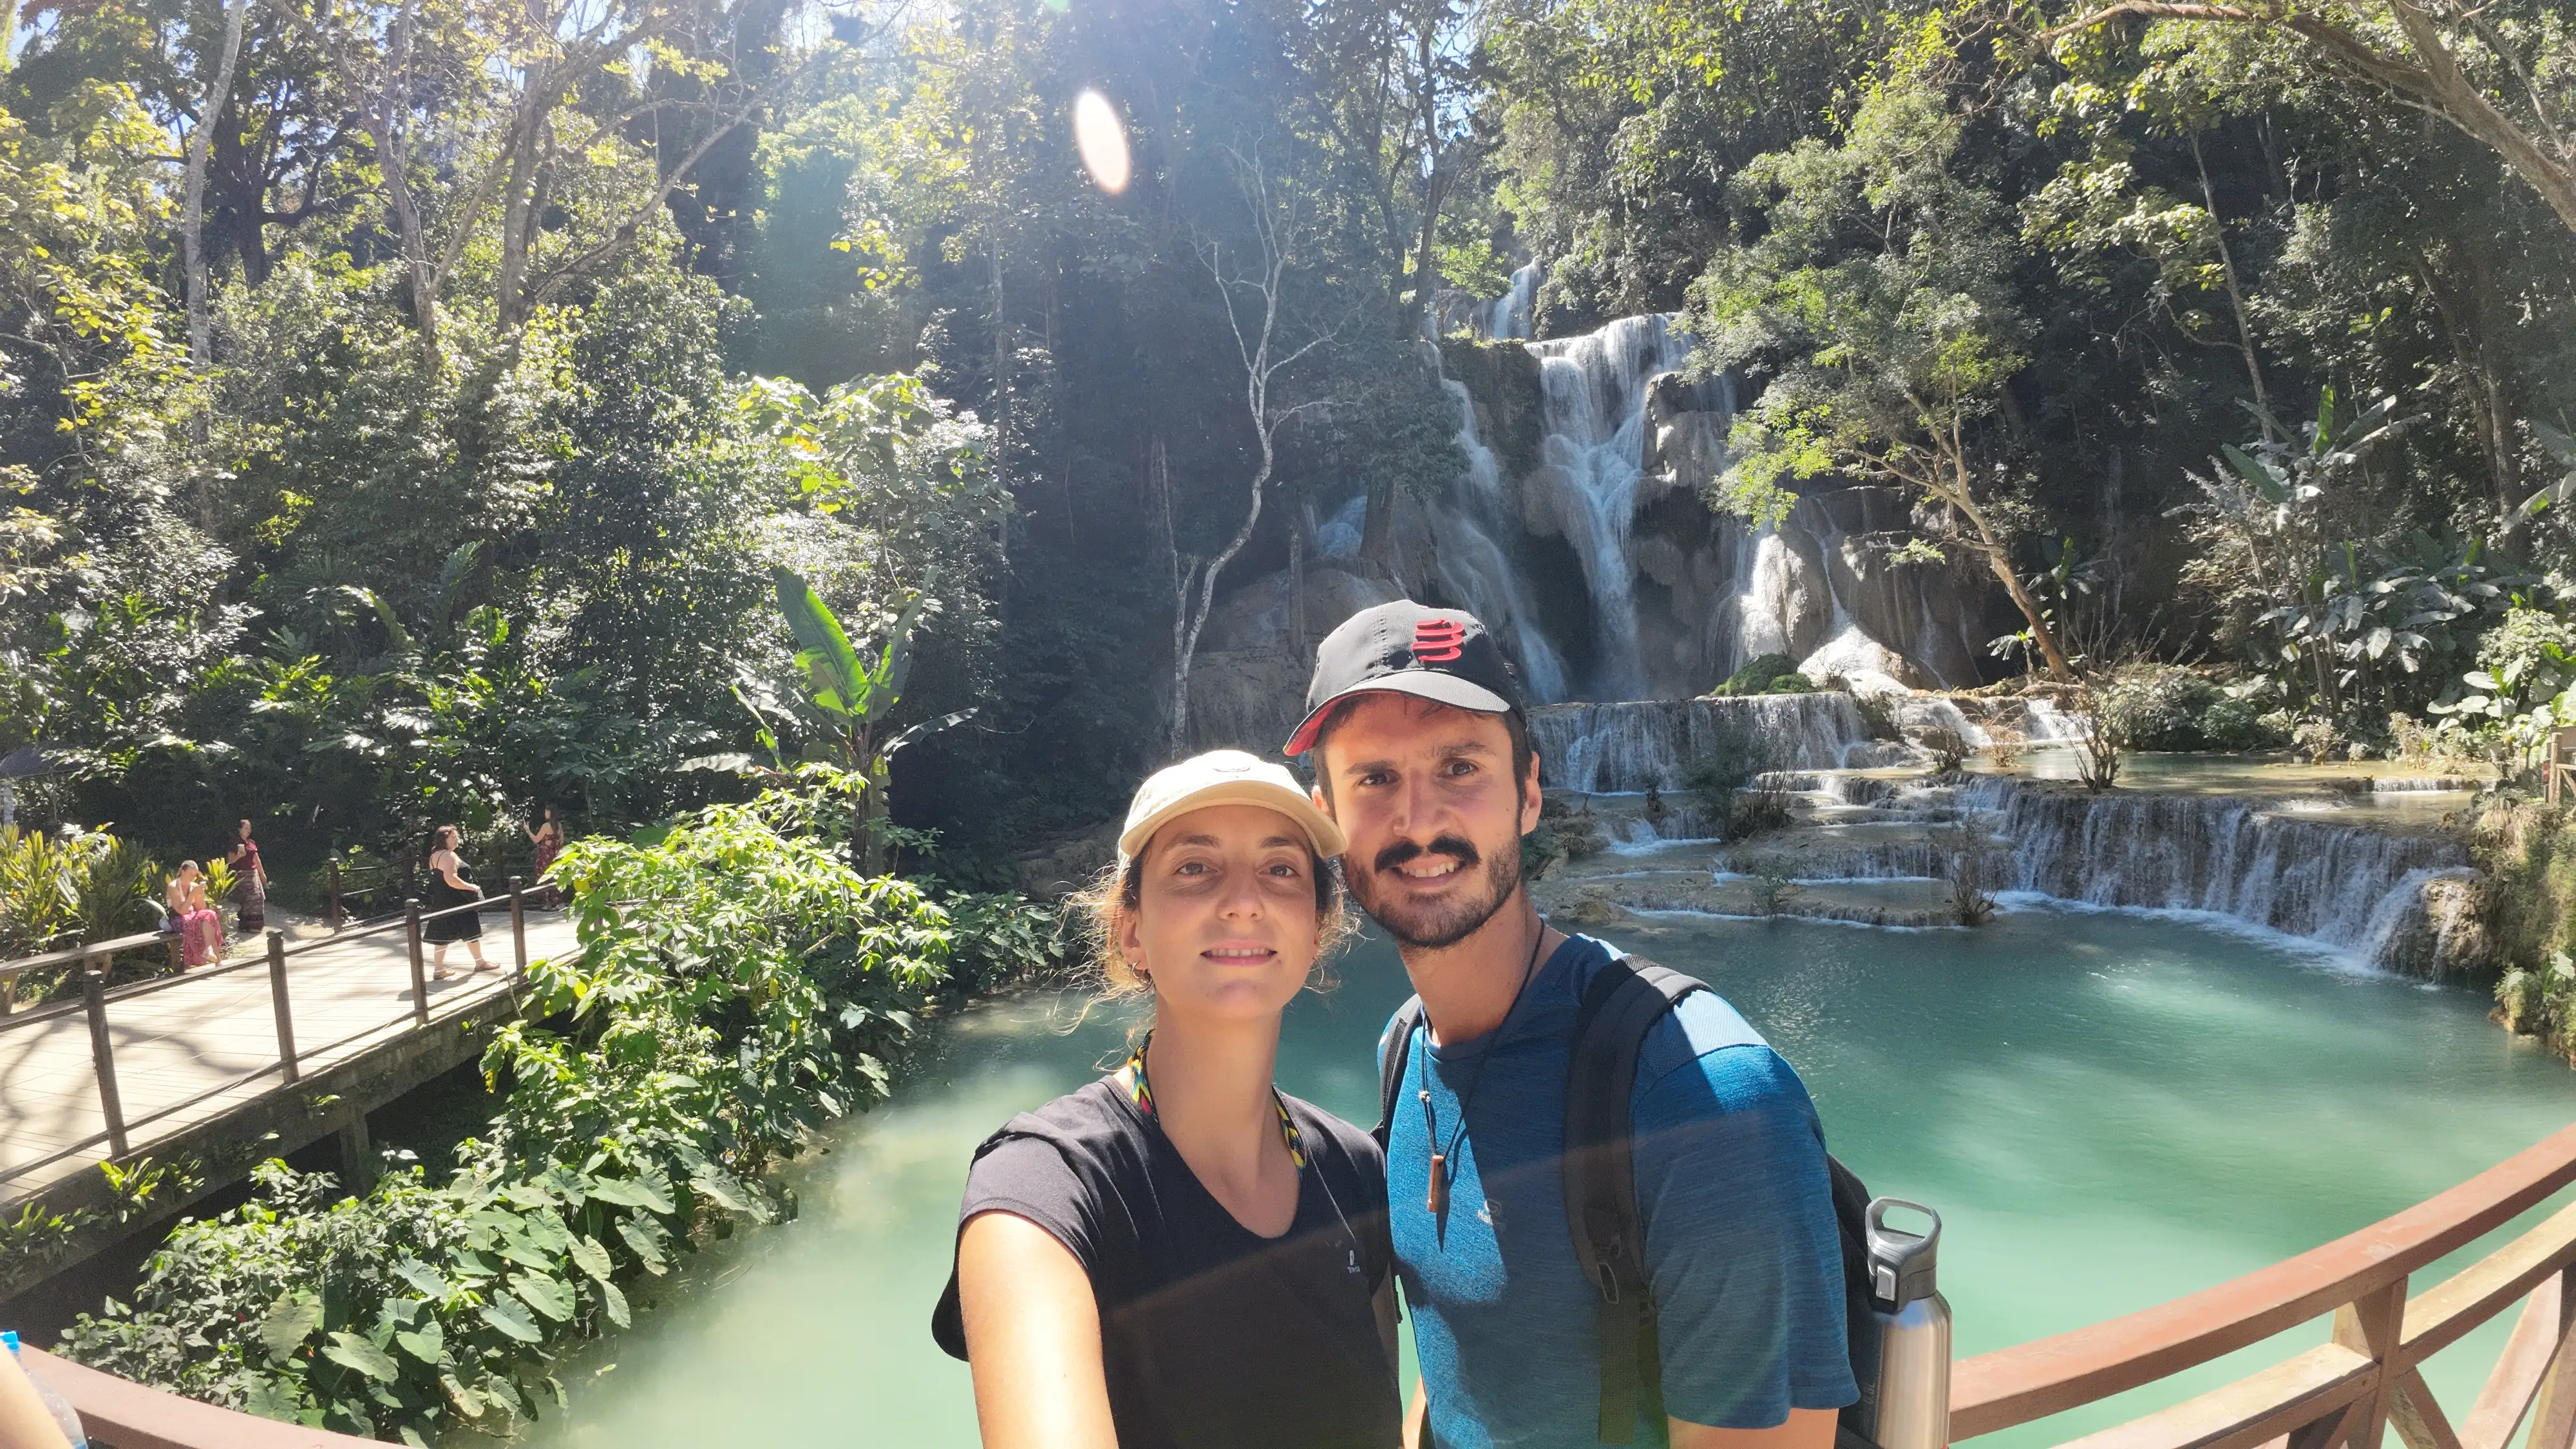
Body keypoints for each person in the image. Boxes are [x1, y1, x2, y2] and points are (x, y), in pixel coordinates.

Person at [1286, 601, 1856, 1449]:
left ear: (1527, 793)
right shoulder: (1405, 1046)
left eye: (1459, 765)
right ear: (1324, 814)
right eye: (1373, 778)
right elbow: (1459, 1368)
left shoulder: (1707, 1099)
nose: (1418, 819)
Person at [931, 750, 1401, 1449]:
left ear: (1315, 932)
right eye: (1194, 868)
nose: (1244, 899)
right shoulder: (1043, 1187)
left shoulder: (1355, 1170)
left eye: (1280, 870)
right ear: (1132, 932)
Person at [422, 825, 489, 979]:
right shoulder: (449, 856)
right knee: (470, 931)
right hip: (457, 899)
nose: (456, 839)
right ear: (443, 839)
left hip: (442, 899)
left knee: (441, 935)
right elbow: (451, 879)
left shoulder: (435, 856)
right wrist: (471, 887)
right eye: (453, 837)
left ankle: (439, 969)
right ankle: (480, 962)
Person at [165, 861, 222, 968]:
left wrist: (200, 895)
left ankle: (210, 951)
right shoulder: (173, 886)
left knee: (210, 916)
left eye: (195, 875)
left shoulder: (194, 886)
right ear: (183, 871)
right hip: (177, 918)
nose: (193, 878)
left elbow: (201, 909)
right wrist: (192, 896)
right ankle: (213, 956)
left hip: (192, 915)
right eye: (191, 874)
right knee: (204, 923)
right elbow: (181, 911)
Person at [225, 818, 267, 936]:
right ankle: (247, 924)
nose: (248, 830)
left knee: (260, 897)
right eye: (246, 828)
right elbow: (230, 861)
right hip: (242, 874)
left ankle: (256, 924)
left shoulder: (251, 842)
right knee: (249, 898)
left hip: (253, 874)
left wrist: (262, 873)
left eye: (250, 828)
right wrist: (239, 856)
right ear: (240, 830)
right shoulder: (235, 843)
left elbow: (256, 858)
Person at [524, 807, 565, 909]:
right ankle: (558, 902)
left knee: (544, 877)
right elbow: (562, 841)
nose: (545, 813)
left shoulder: (546, 826)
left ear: (550, 812)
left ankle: (548, 903)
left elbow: (536, 840)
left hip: (545, 856)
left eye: (546, 811)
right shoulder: (559, 826)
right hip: (555, 855)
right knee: (556, 877)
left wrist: (528, 830)